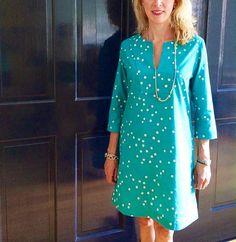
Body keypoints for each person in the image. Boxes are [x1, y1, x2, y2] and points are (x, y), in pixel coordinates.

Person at [104, 0, 217, 241]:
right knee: (143, 218)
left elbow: (203, 105)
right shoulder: (129, 48)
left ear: (176, 2)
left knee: (166, 224)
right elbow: (119, 102)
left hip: (173, 151)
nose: (157, 3)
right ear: (140, 3)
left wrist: (203, 158)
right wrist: (112, 154)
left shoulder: (193, 46)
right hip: (136, 150)